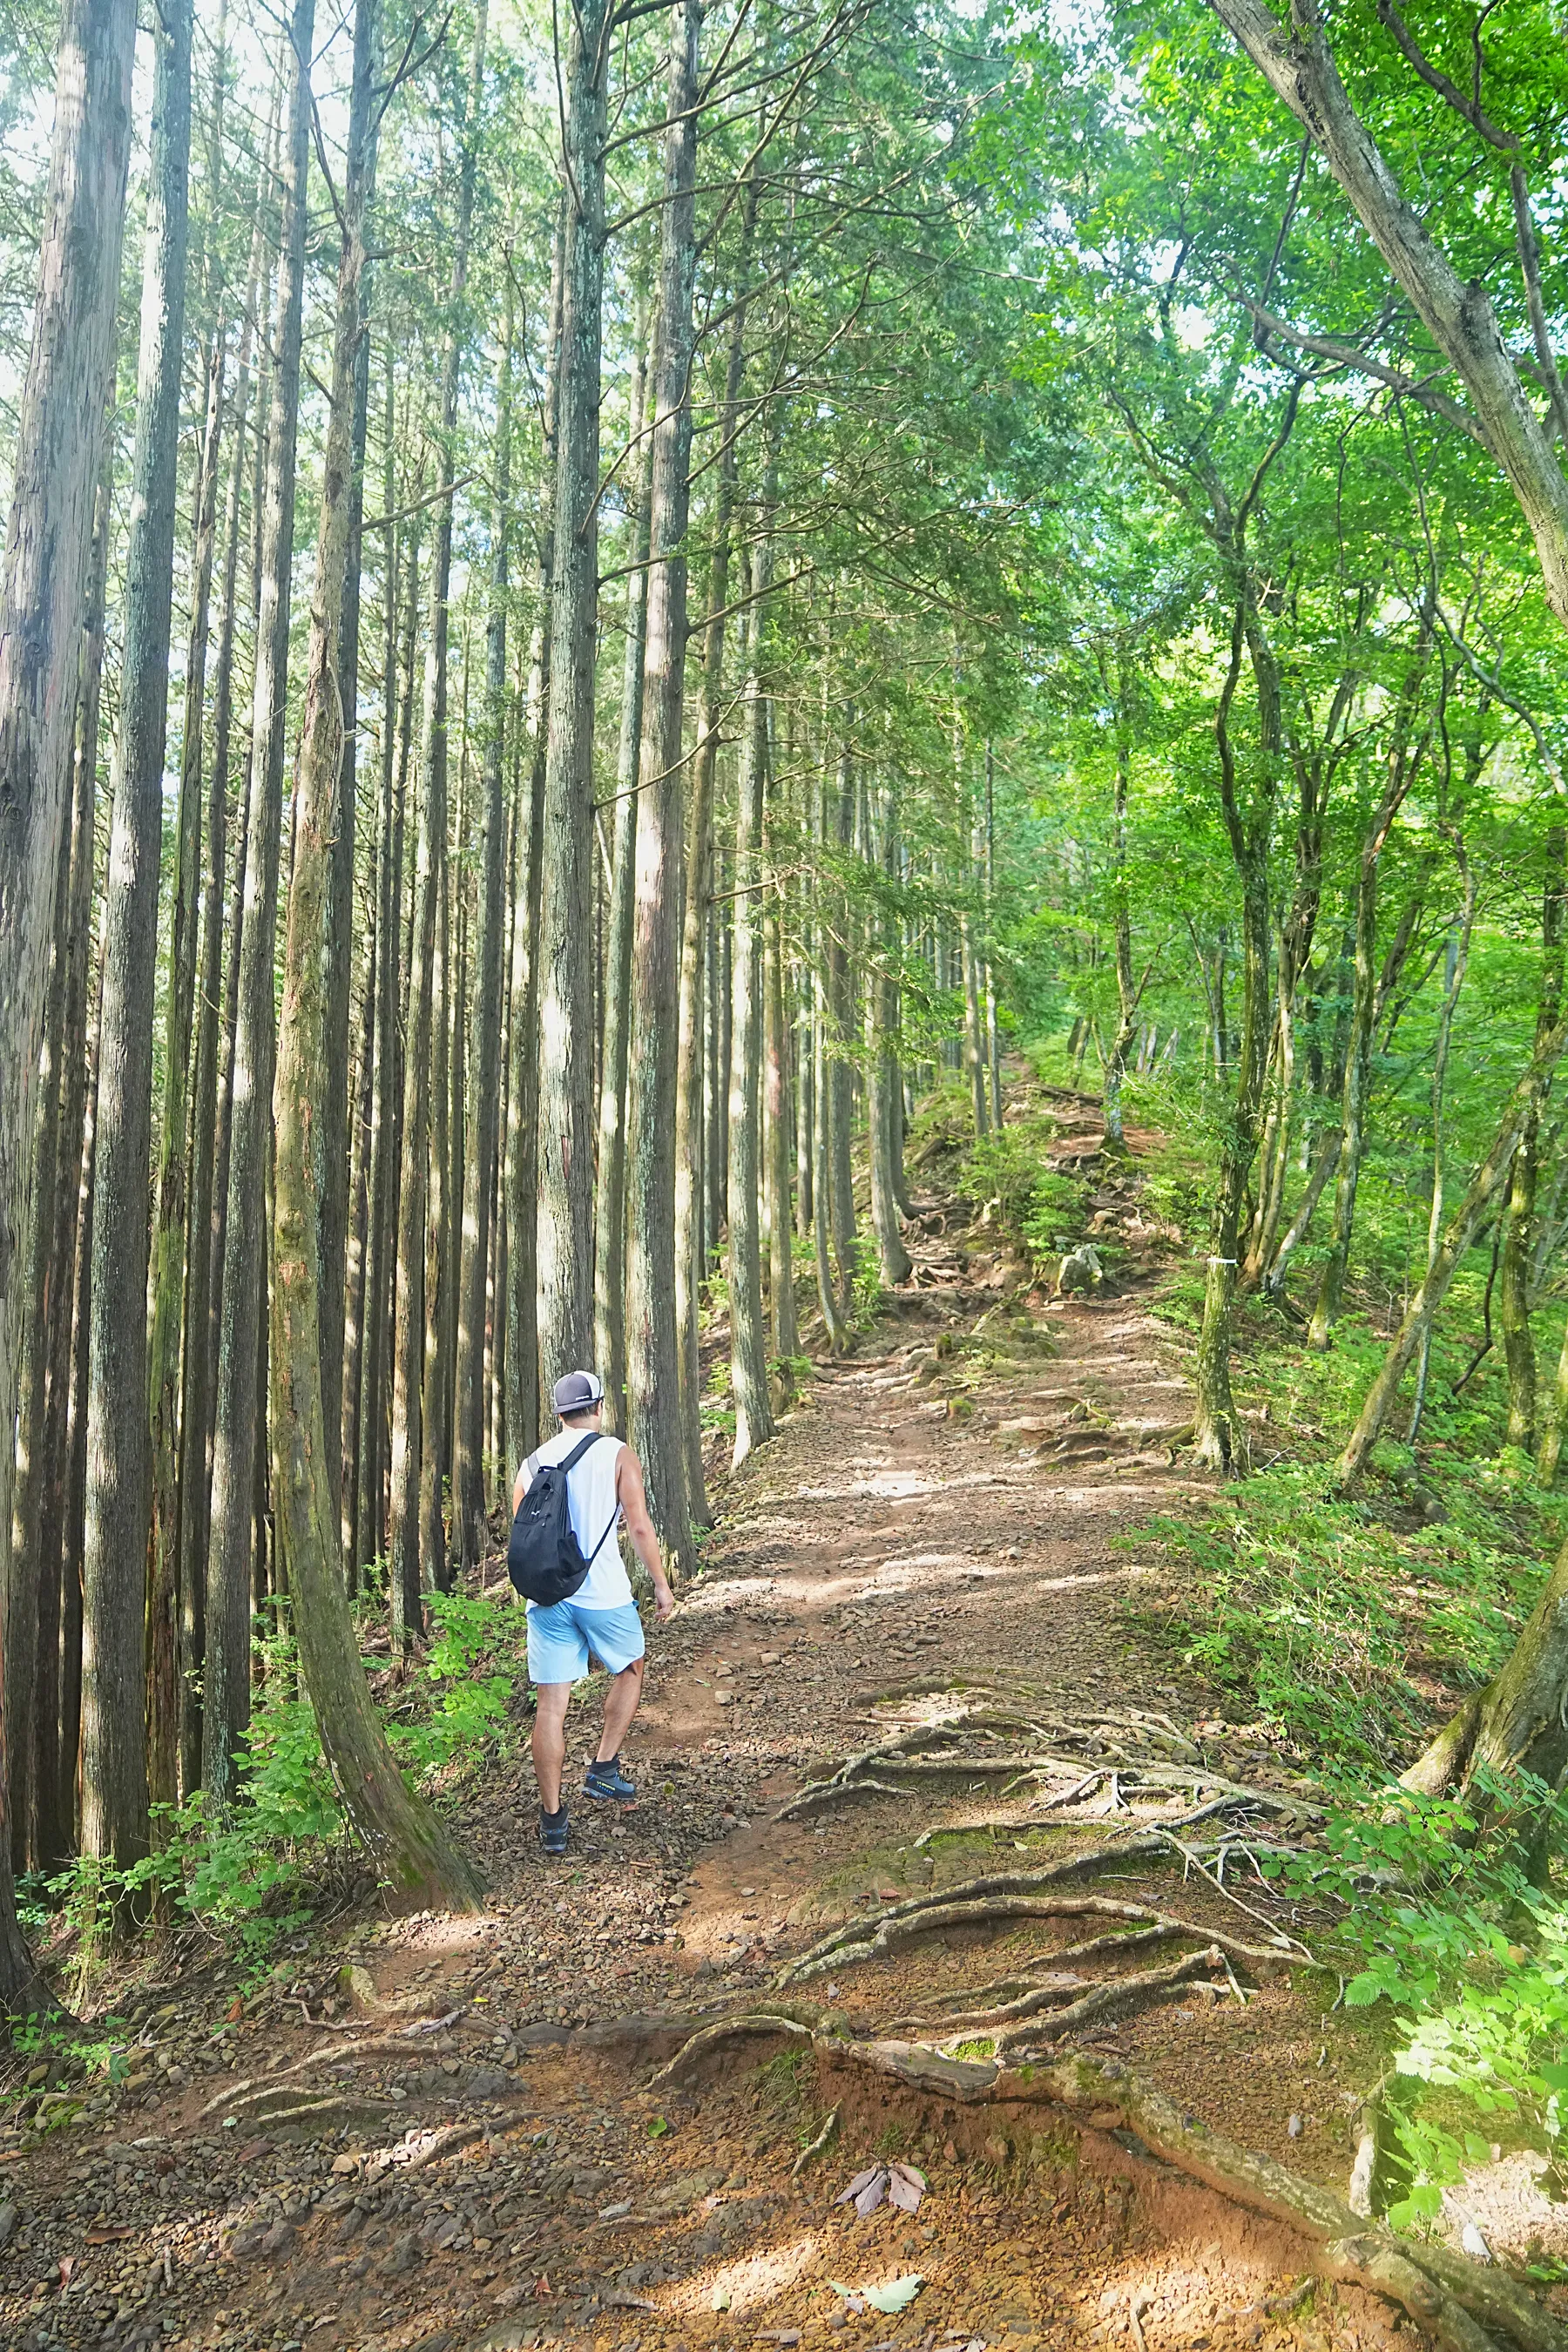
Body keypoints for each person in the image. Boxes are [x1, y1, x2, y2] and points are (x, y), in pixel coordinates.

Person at [514, 1369, 675, 1856]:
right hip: (602, 1593)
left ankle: (552, 1821)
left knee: (551, 1707)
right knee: (630, 1669)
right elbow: (640, 1527)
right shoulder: (616, 1453)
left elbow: (521, 1538)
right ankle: (604, 1768)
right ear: (599, 1407)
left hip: (546, 1598)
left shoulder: (532, 1463)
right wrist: (662, 1586)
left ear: (558, 1413)